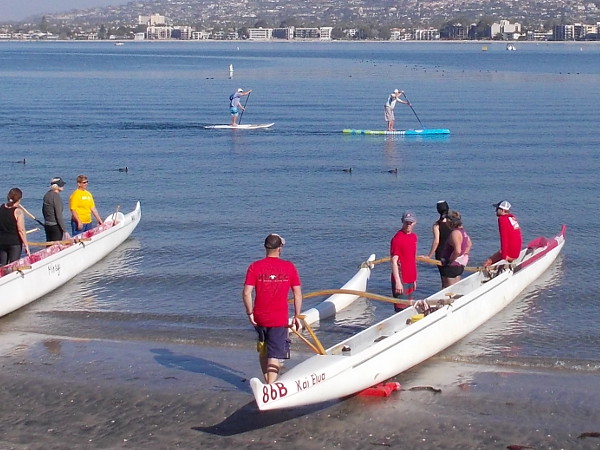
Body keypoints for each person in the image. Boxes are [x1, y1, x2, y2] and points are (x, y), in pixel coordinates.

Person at [242, 233, 302, 384]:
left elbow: (246, 293)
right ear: (280, 248)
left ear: (265, 247)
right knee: (274, 355)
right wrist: (297, 315)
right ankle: (270, 387)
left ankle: (267, 381)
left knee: (264, 350)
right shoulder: (289, 267)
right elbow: (297, 294)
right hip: (278, 319)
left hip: (259, 317)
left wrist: (250, 313)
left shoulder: (254, 267)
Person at [390, 211, 418, 312]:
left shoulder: (414, 237)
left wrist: (414, 279)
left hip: (411, 278)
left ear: (414, 223)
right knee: (400, 310)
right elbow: (394, 261)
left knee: (409, 308)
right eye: (406, 223)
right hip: (401, 280)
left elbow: (412, 259)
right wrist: (398, 282)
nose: (408, 225)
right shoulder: (397, 239)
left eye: (410, 223)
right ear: (402, 222)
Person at [483, 200, 522, 267]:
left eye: (497, 209)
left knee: (488, 262)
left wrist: (504, 256)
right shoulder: (512, 217)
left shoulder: (502, 219)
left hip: (510, 252)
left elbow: (504, 238)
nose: (496, 210)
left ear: (502, 210)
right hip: (516, 251)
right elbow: (518, 235)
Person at [439, 210, 472, 287]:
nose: (445, 221)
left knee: (448, 289)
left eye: (446, 219)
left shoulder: (455, 233)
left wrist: (450, 261)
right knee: (457, 287)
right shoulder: (463, 231)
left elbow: (457, 250)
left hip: (451, 266)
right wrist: (463, 255)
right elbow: (469, 244)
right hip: (459, 265)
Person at [0, 188, 30, 266]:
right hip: (14, 242)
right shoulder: (18, 212)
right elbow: (21, 230)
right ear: (19, 199)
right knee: (13, 265)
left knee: (2, 265)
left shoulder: (2, 207)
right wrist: (26, 245)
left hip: (2, 241)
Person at [425, 200, 452, 285]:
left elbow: (436, 241)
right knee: (453, 277)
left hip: (441, 253)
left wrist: (429, 256)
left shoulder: (437, 225)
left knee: (444, 279)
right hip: (452, 252)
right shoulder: (453, 223)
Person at [42, 177, 70, 242]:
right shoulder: (56, 196)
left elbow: (43, 210)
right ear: (56, 186)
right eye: (61, 185)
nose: (63, 186)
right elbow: (59, 215)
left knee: (49, 245)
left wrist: (46, 221)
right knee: (56, 246)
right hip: (55, 226)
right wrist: (65, 230)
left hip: (47, 225)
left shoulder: (47, 195)